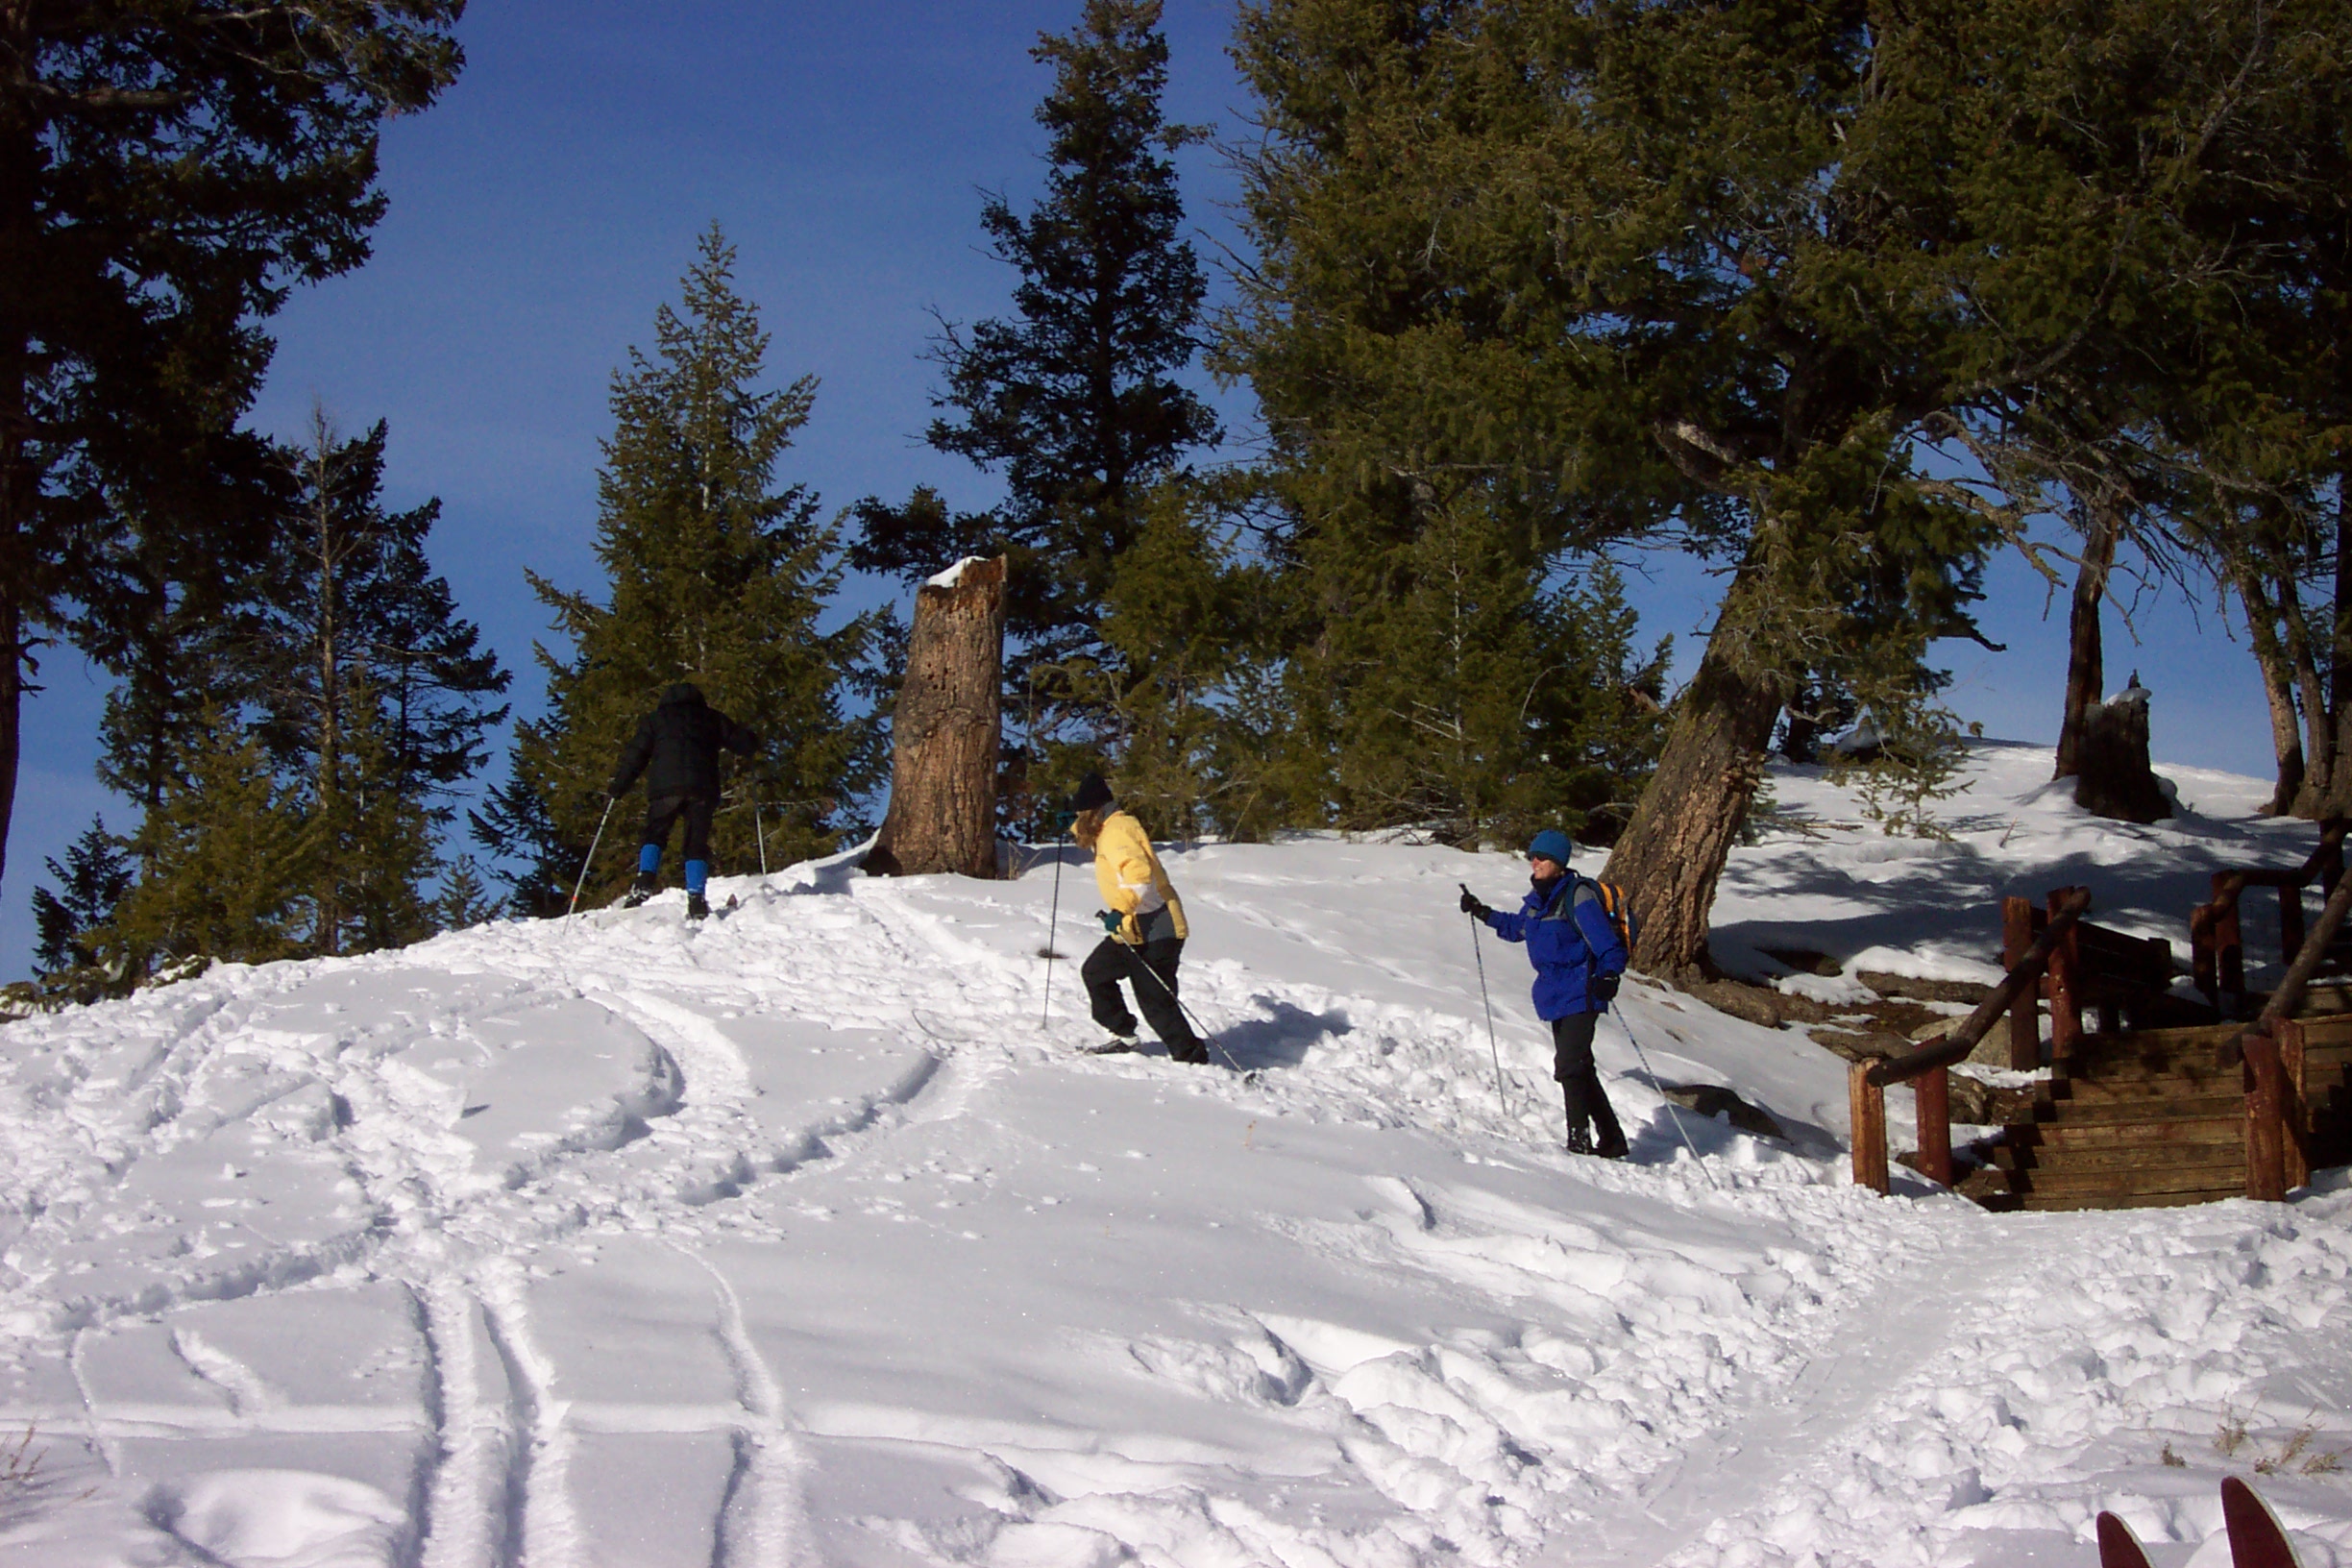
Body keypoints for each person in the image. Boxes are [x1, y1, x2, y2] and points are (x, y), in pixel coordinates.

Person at [1460, 828, 1629, 1156]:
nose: (1534, 861)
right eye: (1532, 856)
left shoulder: (1577, 896)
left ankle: (1578, 1142)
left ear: (1558, 861)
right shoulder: (1539, 900)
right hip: (1554, 994)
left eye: (1541, 857)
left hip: (1583, 990)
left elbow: (1609, 947)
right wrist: (1482, 912)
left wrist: (1609, 975)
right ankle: (1613, 1139)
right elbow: (1517, 929)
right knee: (1580, 1067)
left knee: (1569, 1066)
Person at [1072, 772, 1207, 1064]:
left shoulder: (1118, 830)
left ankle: (1192, 1057)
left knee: (1154, 998)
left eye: (1080, 812)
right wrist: (1070, 828)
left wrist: (1119, 909)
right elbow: (1087, 835)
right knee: (1096, 972)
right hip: (1132, 927)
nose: (1078, 817)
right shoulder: (1106, 831)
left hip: (1158, 927)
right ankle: (1125, 1037)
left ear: (1094, 810)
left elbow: (1139, 876)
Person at [607, 682, 760, 919]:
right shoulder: (711, 718)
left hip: (665, 789)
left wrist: (619, 787)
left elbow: (635, 756)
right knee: (696, 842)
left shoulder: (656, 720)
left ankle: (645, 879)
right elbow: (743, 743)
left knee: (655, 833)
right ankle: (696, 898)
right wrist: (752, 741)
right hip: (702, 789)